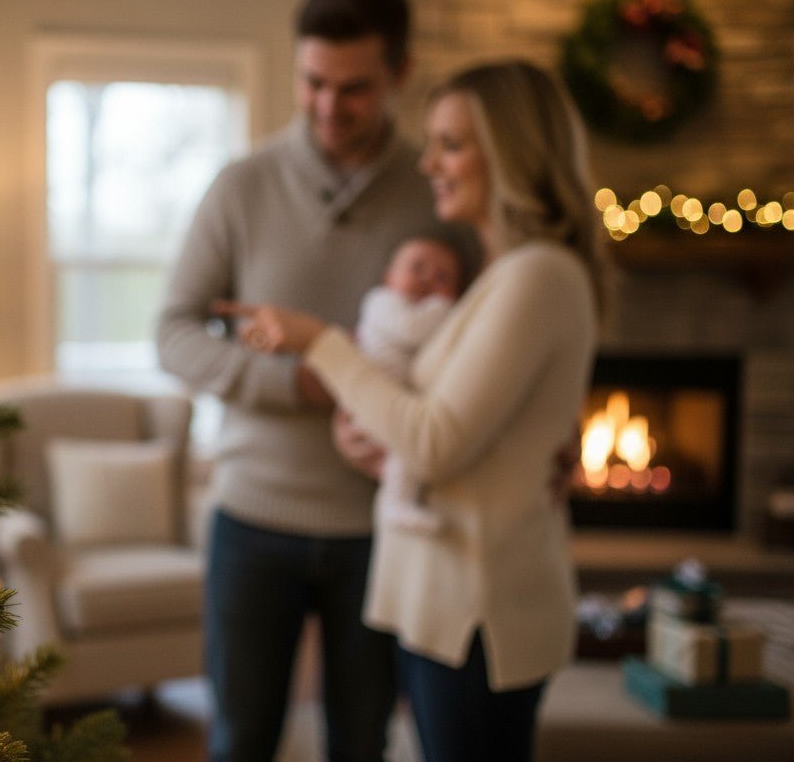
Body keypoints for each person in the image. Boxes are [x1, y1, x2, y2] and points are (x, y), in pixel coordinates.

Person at [217, 60, 609, 762]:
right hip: (446, 600)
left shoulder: (538, 276)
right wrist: (374, 443)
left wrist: (323, 344)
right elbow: (447, 428)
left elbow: (434, 442)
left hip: (480, 608)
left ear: (514, 153)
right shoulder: (503, 275)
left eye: (452, 144)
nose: (429, 163)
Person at [156, 0, 474, 762]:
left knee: (361, 740)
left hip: (384, 526)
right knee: (240, 738)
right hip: (252, 520)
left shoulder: (440, 198)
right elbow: (171, 333)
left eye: (355, 88)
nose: (329, 106)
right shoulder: (241, 186)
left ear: (400, 73)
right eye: (313, 82)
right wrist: (297, 380)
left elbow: (477, 348)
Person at [354, 233, 463, 534]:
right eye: (417, 268)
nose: (429, 279)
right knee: (404, 448)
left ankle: (396, 501)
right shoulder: (381, 302)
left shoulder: (424, 315)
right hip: (375, 394)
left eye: (443, 277)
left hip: (398, 399)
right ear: (389, 277)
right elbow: (411, 330)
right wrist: (447, 308)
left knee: (402, 454)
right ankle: (395, 505)